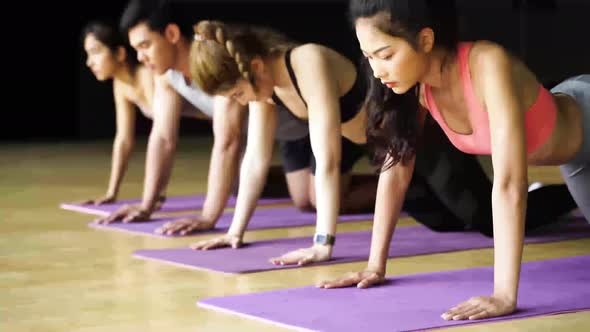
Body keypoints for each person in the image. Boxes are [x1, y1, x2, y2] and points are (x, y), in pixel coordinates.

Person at [185, 20, 576, 264]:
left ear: (253, 67)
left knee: (483, 219)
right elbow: (254, 160)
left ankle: (567, 195)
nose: (240, 102)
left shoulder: (305, 61)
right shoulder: (266, 92)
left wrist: (323, 242)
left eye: (237, 94)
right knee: (441, 222)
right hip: (388, 152)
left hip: (419, 140)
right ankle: (540, 192)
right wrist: (235, 231)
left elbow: (328, 157)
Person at [320, 0, 586, 322]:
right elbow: (395, 173)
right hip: (577, 161)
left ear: (426, 40)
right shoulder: (415, 91)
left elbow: (509, 183)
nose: (377, 71)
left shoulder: (488, 64)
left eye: (386, 55)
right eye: (369, 57)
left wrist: (504, 293)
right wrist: (375, 265)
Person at [94, 0, 290, 228]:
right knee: (289, 195)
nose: (140, 57)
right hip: (286, 137)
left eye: (145, 45)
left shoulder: (215, 60)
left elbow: (228, 141)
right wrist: (146, 205)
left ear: (172, 33)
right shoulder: (166, 76)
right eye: (136, 49)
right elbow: (163, 137)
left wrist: (207, 217)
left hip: (314, 122)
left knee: (318, 198)